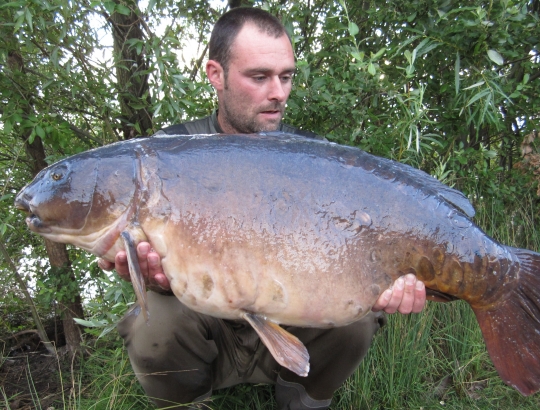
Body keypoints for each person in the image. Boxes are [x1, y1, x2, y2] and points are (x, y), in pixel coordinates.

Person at [99, 7, 427, 409]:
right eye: (259, 77)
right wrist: (150, 276)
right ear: (215, 74)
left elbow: (351, 246)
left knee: (357, 322)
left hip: (290, 318)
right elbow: (144, 265)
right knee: (153, 323)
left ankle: (300, 400)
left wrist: (388, 280)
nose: (279, 92)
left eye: (285, 76)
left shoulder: (313, 158)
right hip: (211, 331)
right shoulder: (171, 154)